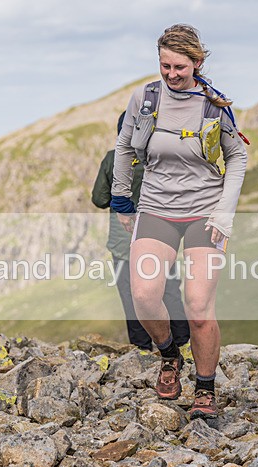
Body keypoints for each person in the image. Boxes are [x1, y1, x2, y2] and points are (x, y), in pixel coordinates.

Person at [110, 24, 248, 419]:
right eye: (165, 65)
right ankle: (170, 356)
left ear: (197, 63)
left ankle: (205, 389)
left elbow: (237, 157)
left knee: (199, 306)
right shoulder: (145, 98)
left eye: (180, 67)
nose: (172, 74)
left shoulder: (213, 105)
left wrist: (225, 211)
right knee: (144, 296)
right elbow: (124, 146)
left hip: (205, 212)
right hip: (155, 208)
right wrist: (122, 200)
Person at [91, 112, 190, 353]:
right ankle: (183, 343)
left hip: (123, 242)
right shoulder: (161, 160)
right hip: (162, 236)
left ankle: (142, 348)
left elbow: (99, 199)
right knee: (169, 290)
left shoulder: (113, 160)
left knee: (131, 295)